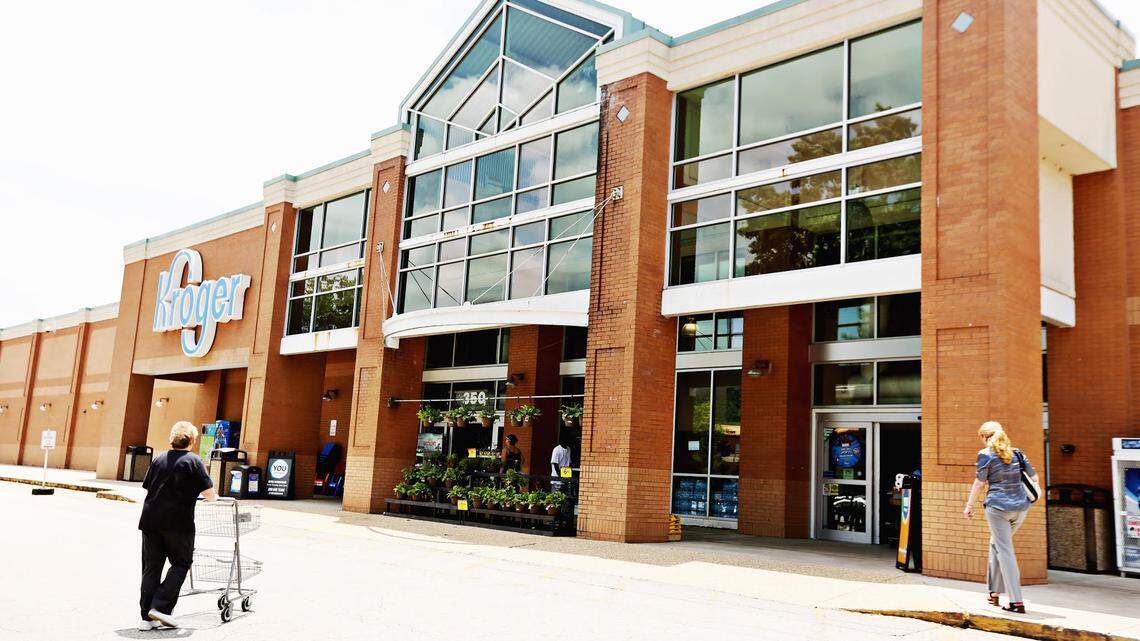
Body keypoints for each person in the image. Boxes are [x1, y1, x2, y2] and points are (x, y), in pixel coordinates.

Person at [137, 421, 217, 630]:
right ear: (191, 440)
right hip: (178, 523)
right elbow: (209, 495)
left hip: (150, 520)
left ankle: (147, 618)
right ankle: (160, 607)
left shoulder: (159, 458)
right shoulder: (193, 461)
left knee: (151, 567)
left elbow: (148, 487)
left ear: (172, 439)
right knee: (181, 563)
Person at [963, 421, 1039, 614]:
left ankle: (1016, 601)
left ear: (985, 437)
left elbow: (980, 483)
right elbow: (1035, 479)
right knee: (996, 543)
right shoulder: (1018, 453)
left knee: (1005, 551)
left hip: (998, 508)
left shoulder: (985, 455)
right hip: (1021, 508)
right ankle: (994, 591)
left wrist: (969, 505)